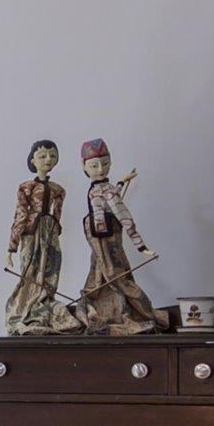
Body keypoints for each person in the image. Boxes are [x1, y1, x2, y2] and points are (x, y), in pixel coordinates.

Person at [76, 139, 160, 334]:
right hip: (99, 237)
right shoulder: (99, 191)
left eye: (105, 163)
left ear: (110, 162)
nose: (100, 169)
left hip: (111, 236)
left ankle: (119, 311)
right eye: (94, 165)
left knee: (115, 271)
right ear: (84, 166)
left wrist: (141, 246)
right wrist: (140, 245)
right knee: (103, 272)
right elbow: (116, 204)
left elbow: (118, 206)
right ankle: (98, 312)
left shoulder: (106, 189)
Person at [4, 139, 68, 334]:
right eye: (42, 156)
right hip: (31, 233)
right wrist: (11, 247)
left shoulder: (59, 189)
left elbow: (58, 214)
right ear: (33, 160)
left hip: (49, 234)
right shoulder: (26, 187)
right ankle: (26, 309)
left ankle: (44, 305)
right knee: (30, 270)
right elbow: (20, 215)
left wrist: (54, 228)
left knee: (51, 268)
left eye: (52, 155)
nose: (48, 159)